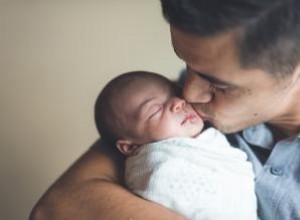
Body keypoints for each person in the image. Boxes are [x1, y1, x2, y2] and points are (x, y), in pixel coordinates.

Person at [30, 0, 300, 219]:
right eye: (187, 64)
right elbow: (57, 207)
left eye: (217, 84)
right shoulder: (172, 112)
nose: (188, 93)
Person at [94, 71, 257, 220]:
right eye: (155, 110)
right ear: (130, 147)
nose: (179, 103)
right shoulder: (157, 168)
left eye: (177, 94)